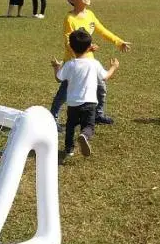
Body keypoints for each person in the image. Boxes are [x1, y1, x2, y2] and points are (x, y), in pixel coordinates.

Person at [50, 0, 131, 128]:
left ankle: (98, 114)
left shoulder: (90, 15)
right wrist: (86, 49)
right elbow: (68, 42)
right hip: (73, 63)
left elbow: (103, 31)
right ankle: (52, 118)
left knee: (101, 88)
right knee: (64, 93)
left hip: (90, 62)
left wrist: (119, 42)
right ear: (72, 0)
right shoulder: (70, 19)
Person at [51, 29, 119, 158]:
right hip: (90, 102)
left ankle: (69, 149)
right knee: (88, 125)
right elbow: (105, 77)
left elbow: (58, 78)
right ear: (90, 47)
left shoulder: (70, 64)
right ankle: (84, 135)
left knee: (70, 126)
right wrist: (113, 67)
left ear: (70, 47)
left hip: (73, 103)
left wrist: (56, 67)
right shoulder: (94, 64)